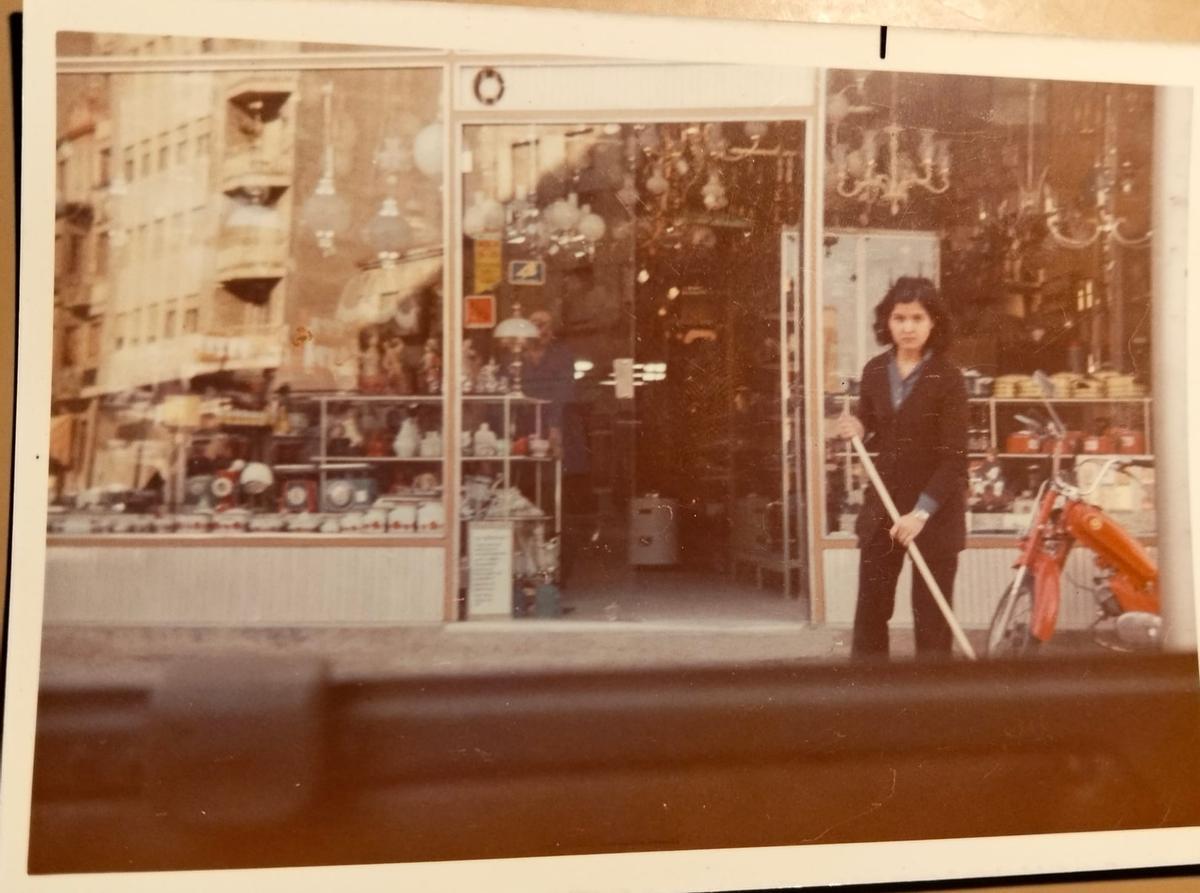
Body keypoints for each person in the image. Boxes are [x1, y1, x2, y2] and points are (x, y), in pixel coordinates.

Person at [834, 277, 968, 660]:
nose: (908, 327)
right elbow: (872, 427)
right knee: (871, 612)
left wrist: (921, 513)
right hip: (884, 511)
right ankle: (871, 702)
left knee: (931, 620)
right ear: (887, 322)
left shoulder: (949, 378)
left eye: (918, 318)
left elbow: (954, 458)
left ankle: (932, 709)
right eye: (899, 317)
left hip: (934, 515)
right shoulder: (876, 371)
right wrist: (857, 427)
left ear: (933, 323)